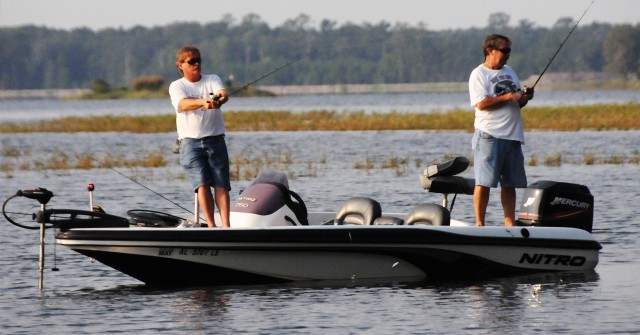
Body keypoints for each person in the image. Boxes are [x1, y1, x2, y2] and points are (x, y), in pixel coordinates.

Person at [468, 34, 534, 227]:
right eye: (504, 50)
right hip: (489, 136)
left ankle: (509, 224)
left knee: (510, 184)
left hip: (512, 136)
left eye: (509, 51)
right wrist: (508, 97)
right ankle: (480, 224)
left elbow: (517, 102)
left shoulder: (510, 71)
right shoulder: (479, 74)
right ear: (490, 50)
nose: (508, 55)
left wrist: (525, 97)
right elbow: (481, 104)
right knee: (484, 182)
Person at [169, 45, 231, 228]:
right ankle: (212, 226)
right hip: (190, 143)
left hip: (216, 140)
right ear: (181, 65)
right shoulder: (177, 86)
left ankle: (226, 227)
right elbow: (183, 105)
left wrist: (218, 99)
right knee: (202, 184)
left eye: (199, 60)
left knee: (221, 184)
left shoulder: (212, 79)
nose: (196, 64)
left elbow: (222, 93)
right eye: (191, 61)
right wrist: (204, 101)